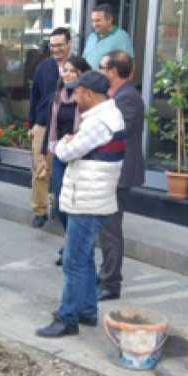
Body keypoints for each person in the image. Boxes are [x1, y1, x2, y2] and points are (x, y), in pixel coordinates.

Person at [36, 71, 125, 338]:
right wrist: (68, 142)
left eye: (76, 92)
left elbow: (65, 152)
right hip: (91, 196)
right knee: (84, 258)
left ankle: (67, 318)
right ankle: (86, 310)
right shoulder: (106, 116)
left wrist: (64, 143)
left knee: (73, 261)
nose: (73, 97)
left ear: (88, 93)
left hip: (88, 198)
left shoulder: (98, 122)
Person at [97, 50, 146, 301]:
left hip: (119, 172)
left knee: (110, 229)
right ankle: (106, 273)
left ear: (114, 71)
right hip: (110, 170)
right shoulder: (116, 95)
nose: (100, 71)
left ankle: (110, 283)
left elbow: (114, 133)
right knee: (105, 228)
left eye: (102, 67)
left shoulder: (128, 98)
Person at [42, 56, 91, 264]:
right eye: (65, 70)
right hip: (60, 154)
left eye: (72, 71)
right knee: (60, 200)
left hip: (80, 155)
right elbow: (50, 126)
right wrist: (46, 155)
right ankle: (70, 238)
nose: (67, 74)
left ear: (81, 74)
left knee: (74, 202)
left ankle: (73, 244)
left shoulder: (86, 98)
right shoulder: (58, 96)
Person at [28, 27, 72, 228]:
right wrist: (31, 124)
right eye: (52, 46)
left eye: (60, 45)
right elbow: (34, 96)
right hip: (43, 124)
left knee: (62, 169)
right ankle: (40, 210)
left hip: (68, 127)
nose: (56, 49)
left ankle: (60, 207)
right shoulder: (43, 67)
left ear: (69, 44)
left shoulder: (77, 66)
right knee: (39, 167)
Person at [82, 4, 134, 70]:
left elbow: (130, 65)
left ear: (110, 19)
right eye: (93, 21)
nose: (94, 24)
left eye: (98, 20)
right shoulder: (92, 37)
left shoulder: (122, 37)